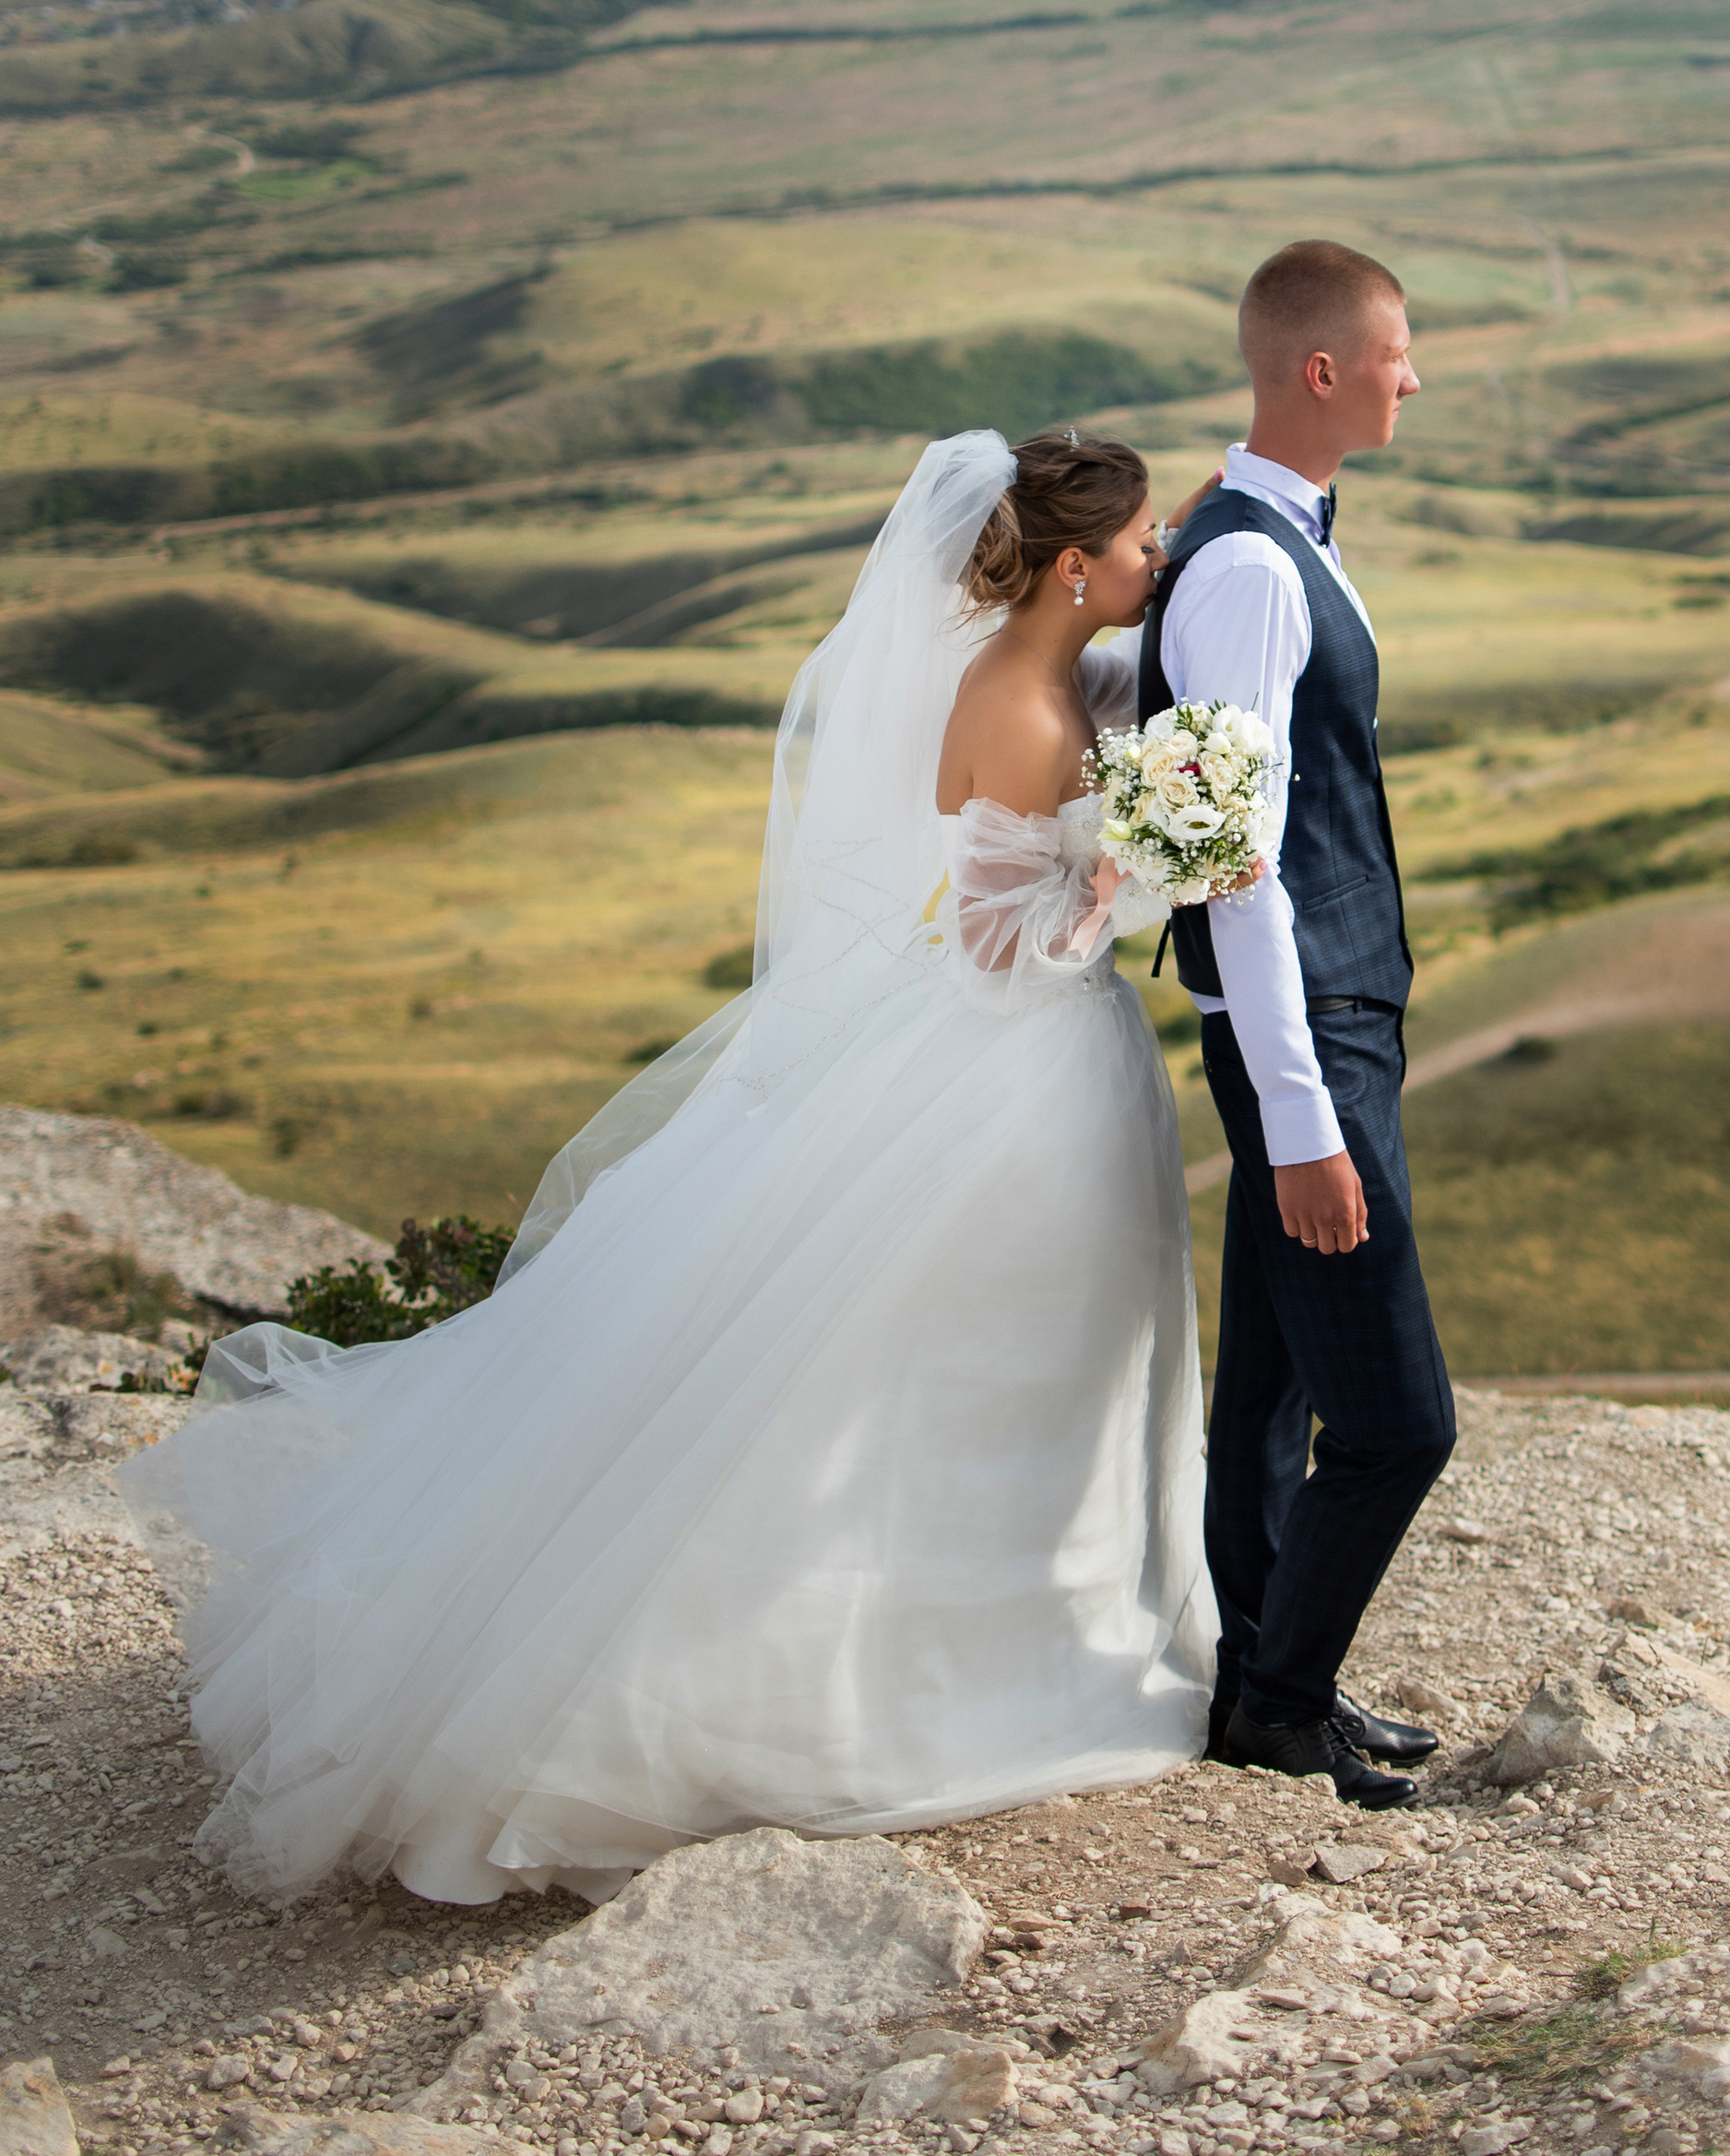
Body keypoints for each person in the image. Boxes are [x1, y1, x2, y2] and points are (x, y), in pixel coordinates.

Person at [120, 432, 1217, 1908]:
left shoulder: (1049, 671)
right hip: (1016, 1062)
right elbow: (993, 944)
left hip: (1017, 1062)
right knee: (953, 1364)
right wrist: (1133, 870)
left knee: (985, 1366)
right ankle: (916, 1683)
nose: (1160, 559)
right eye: (1145, 540)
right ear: (1076, 566)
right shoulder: (1019, 702)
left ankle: (1040, 1615)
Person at [1139, 240, 1454, 1812]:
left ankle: (1261, 1675)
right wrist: (1305, 1120)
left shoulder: (1258, 539)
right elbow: (1236, 871)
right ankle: (1283, 1701)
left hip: (1322, 1024)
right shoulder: (1254, 566)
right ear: (1318, 370)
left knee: (1266, 1393)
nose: (1414, 377)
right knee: (1398, 1420)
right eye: (1396, 352)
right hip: (1305, 1037)